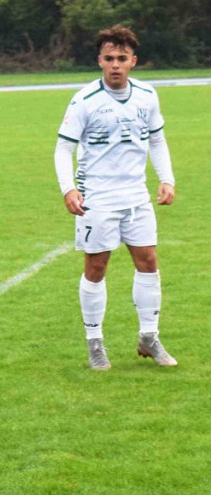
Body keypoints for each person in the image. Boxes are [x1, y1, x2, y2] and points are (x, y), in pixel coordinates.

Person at [54, 25, 177, 370]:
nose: (115, 65)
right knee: (96, 267)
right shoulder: (84, 100)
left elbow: (156, 140)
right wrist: (69, 188)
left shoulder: (147, 96)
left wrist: (166, 178)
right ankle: (95, 343)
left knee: (149, 262)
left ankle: (149, 337)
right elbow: (64, 148)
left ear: (133, 61)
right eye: (109, 58)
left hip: (136, 195)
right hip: (97, 197)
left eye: (122, 58)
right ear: (100, 61)